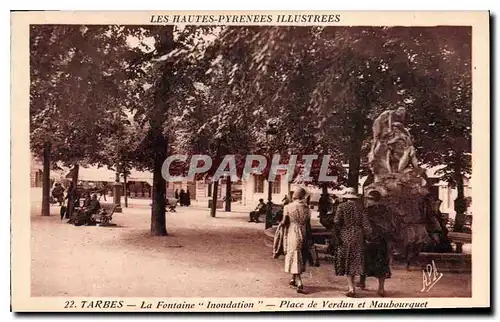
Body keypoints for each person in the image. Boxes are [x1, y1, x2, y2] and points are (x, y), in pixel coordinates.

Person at [333, 187, 372, 297]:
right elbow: (366, 225)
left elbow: (336, 222)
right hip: (358, 235)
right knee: (356, 259)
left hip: (345, 234)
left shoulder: (341, 206)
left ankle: (351, 288)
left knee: (347, 260)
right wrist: (368, 236)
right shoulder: (361, 208)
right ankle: (358, 283)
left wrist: (336, 236)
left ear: (346, 197)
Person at [358, 190, 395, 297]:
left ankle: (362, 282)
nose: (367, 201)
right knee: (382, 263)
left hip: (369, 240)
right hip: (382, 240)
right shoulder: (386, 210)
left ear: (371, 199)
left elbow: (364, 226)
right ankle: (381, 289)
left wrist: (366, 237)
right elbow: (390, 225)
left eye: (368, 199)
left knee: (364, 260)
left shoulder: (366, 211)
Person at [281, 187, 312, 294]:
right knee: (299, 254)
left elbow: (284, 221)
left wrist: (281, 225)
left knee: (294, 254)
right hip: (303, 231)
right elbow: (308, 224)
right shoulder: (307, 208)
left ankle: (299, 282)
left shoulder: (288, 207)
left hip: (293, 231)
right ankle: (293, 279)